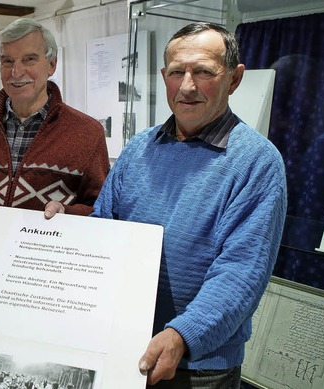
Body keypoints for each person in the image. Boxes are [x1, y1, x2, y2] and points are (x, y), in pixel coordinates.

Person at [87, 23, 286, 387]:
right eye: (177, 72)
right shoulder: (138, 149)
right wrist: (63, 228)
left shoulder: (258, 162)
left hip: (198, 367)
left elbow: (242, 272)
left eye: (204, 72)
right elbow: (104, 231)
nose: (188, 86)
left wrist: (182, 335)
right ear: (164, 77)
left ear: (234, 79)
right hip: (121, 350)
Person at [0, 18, 109, 216]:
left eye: (29, 59)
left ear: (51, 65)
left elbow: (101, 208)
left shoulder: (86, 132)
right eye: (7, 61)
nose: (16, 72)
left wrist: (66, 212)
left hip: (49, 245)